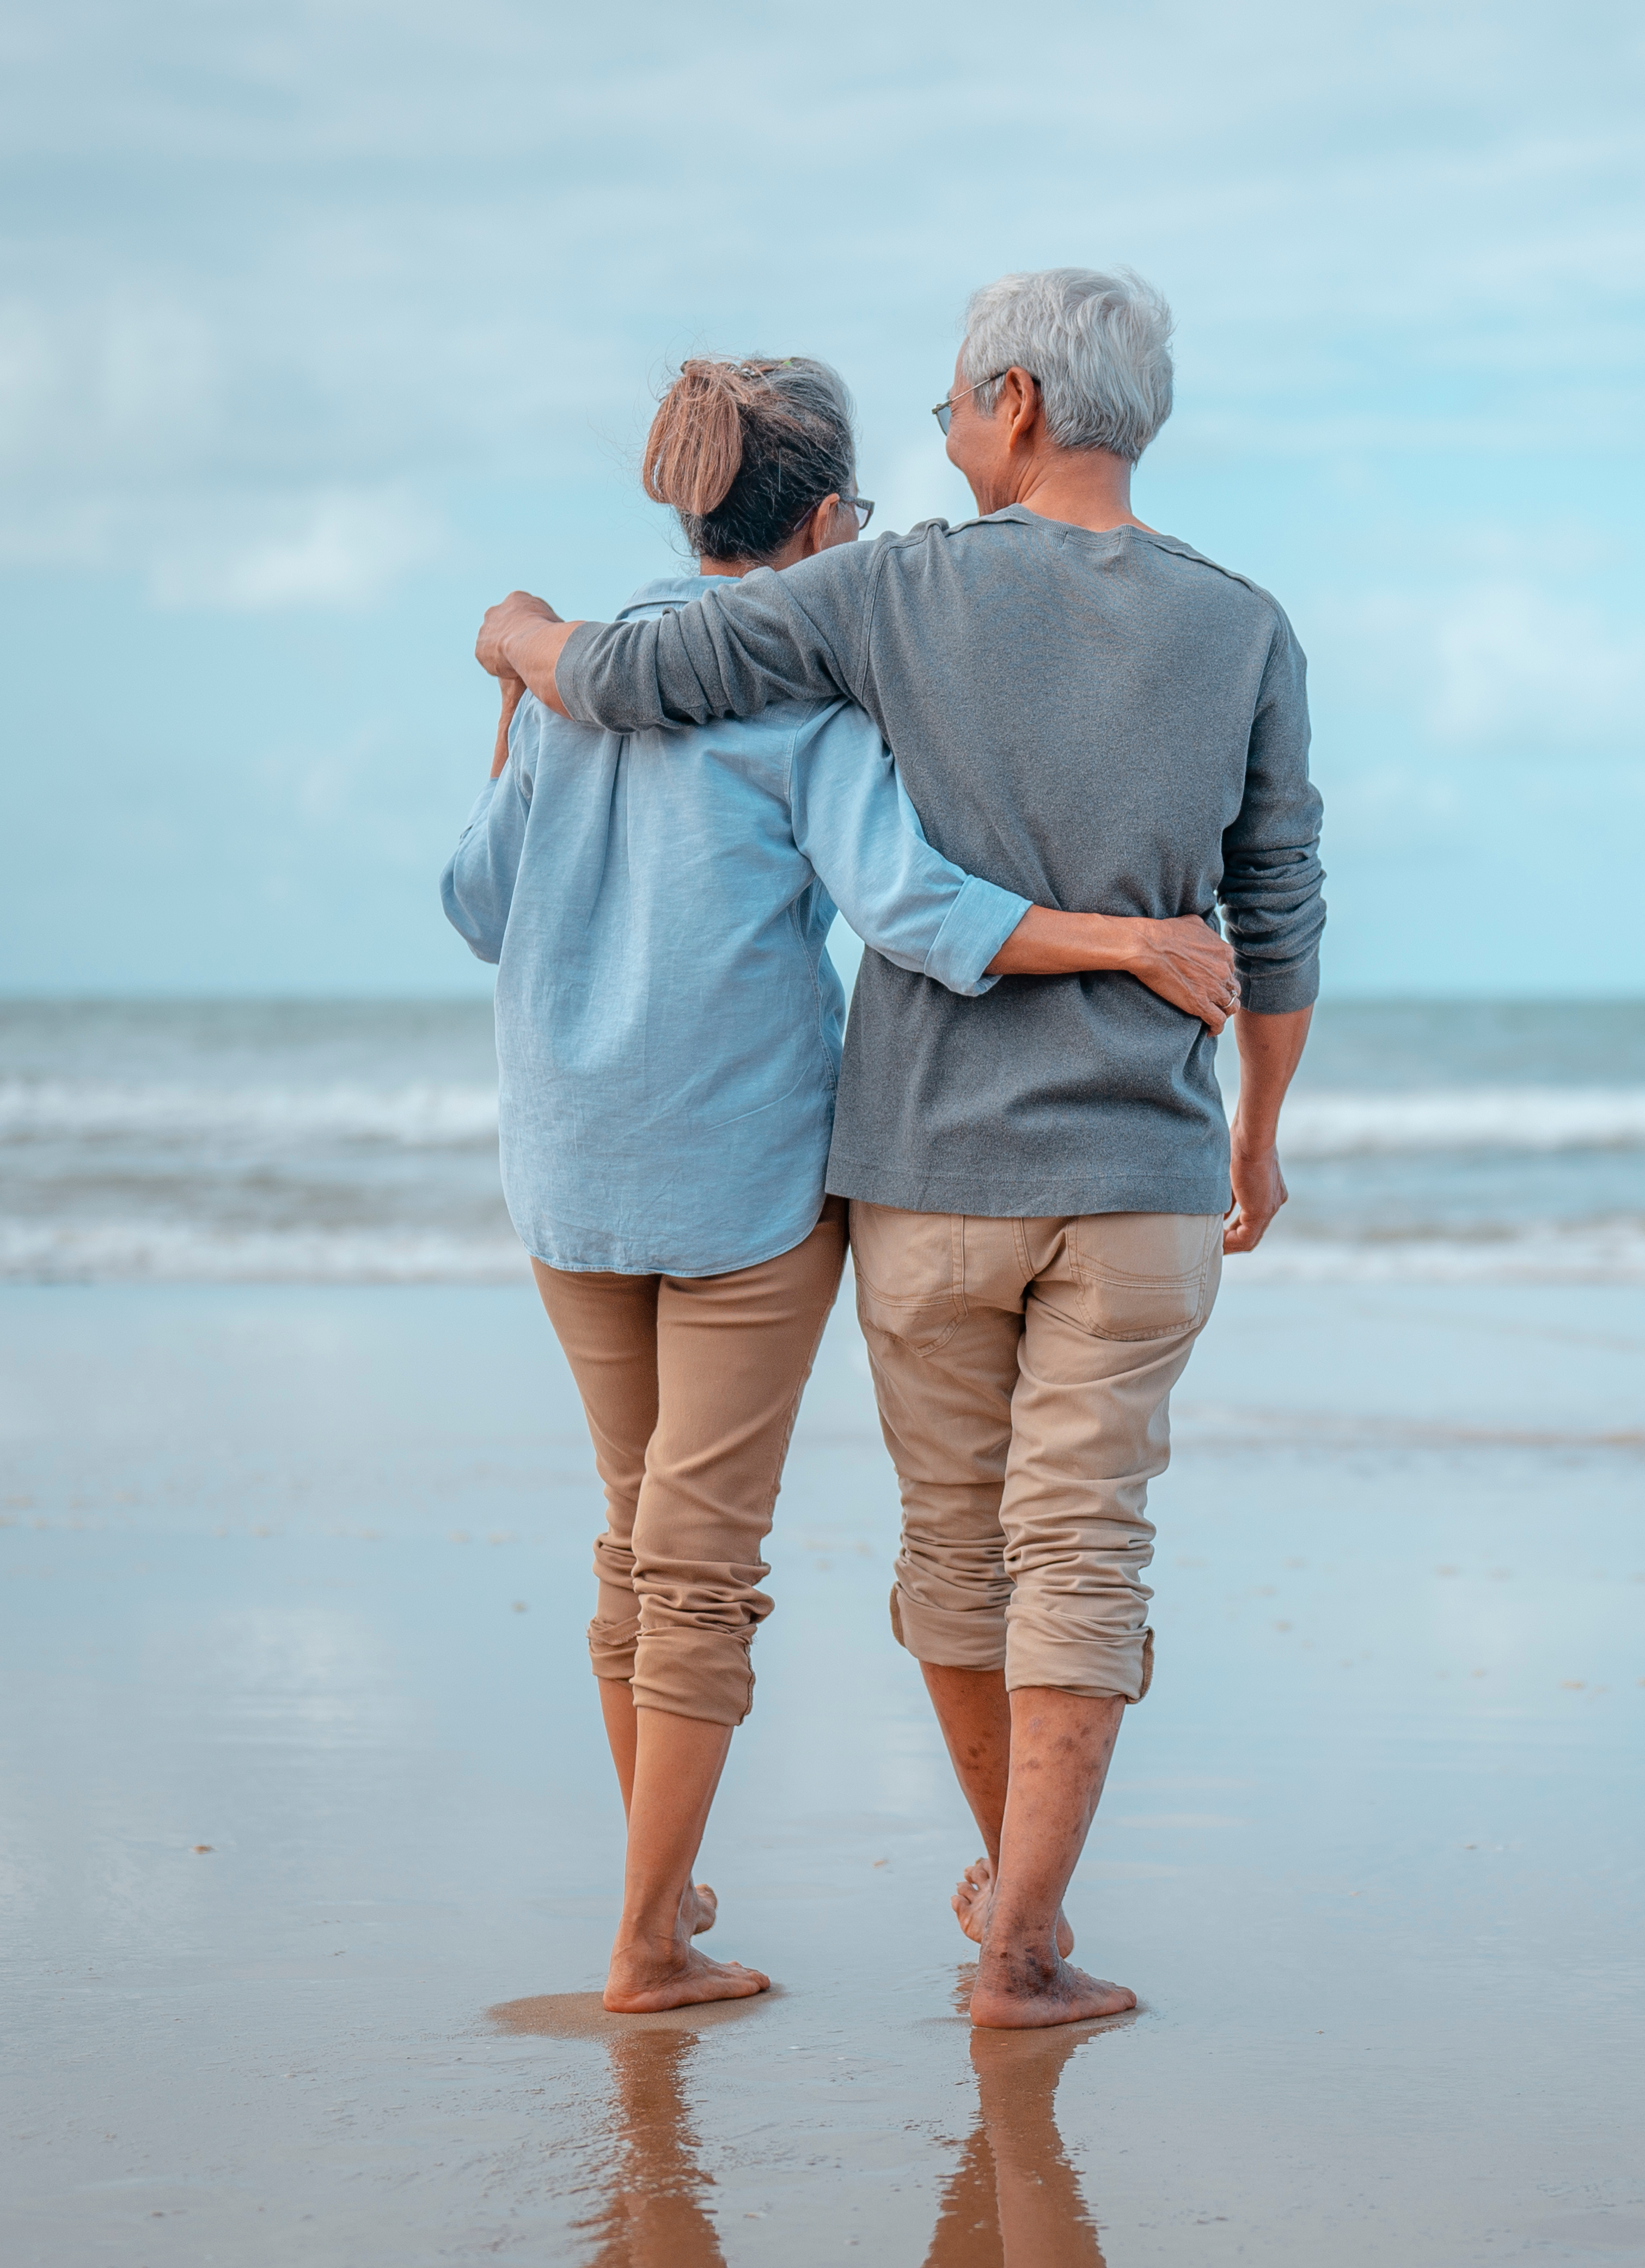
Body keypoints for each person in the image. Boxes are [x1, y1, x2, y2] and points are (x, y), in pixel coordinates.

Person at [476, 268, 1323, 2027]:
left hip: (770, 1173)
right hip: (969, 1175)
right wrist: (1235, 1095)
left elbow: (560, 777)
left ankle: (807, 1885)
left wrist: (514, 652)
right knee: (1041, 1547)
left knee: (834, 1544)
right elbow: (1208, 907)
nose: (942, 450)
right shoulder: (1227, 626)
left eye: (954, 411)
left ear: (1014, 404)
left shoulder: (852, 608)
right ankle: (978, 1928)